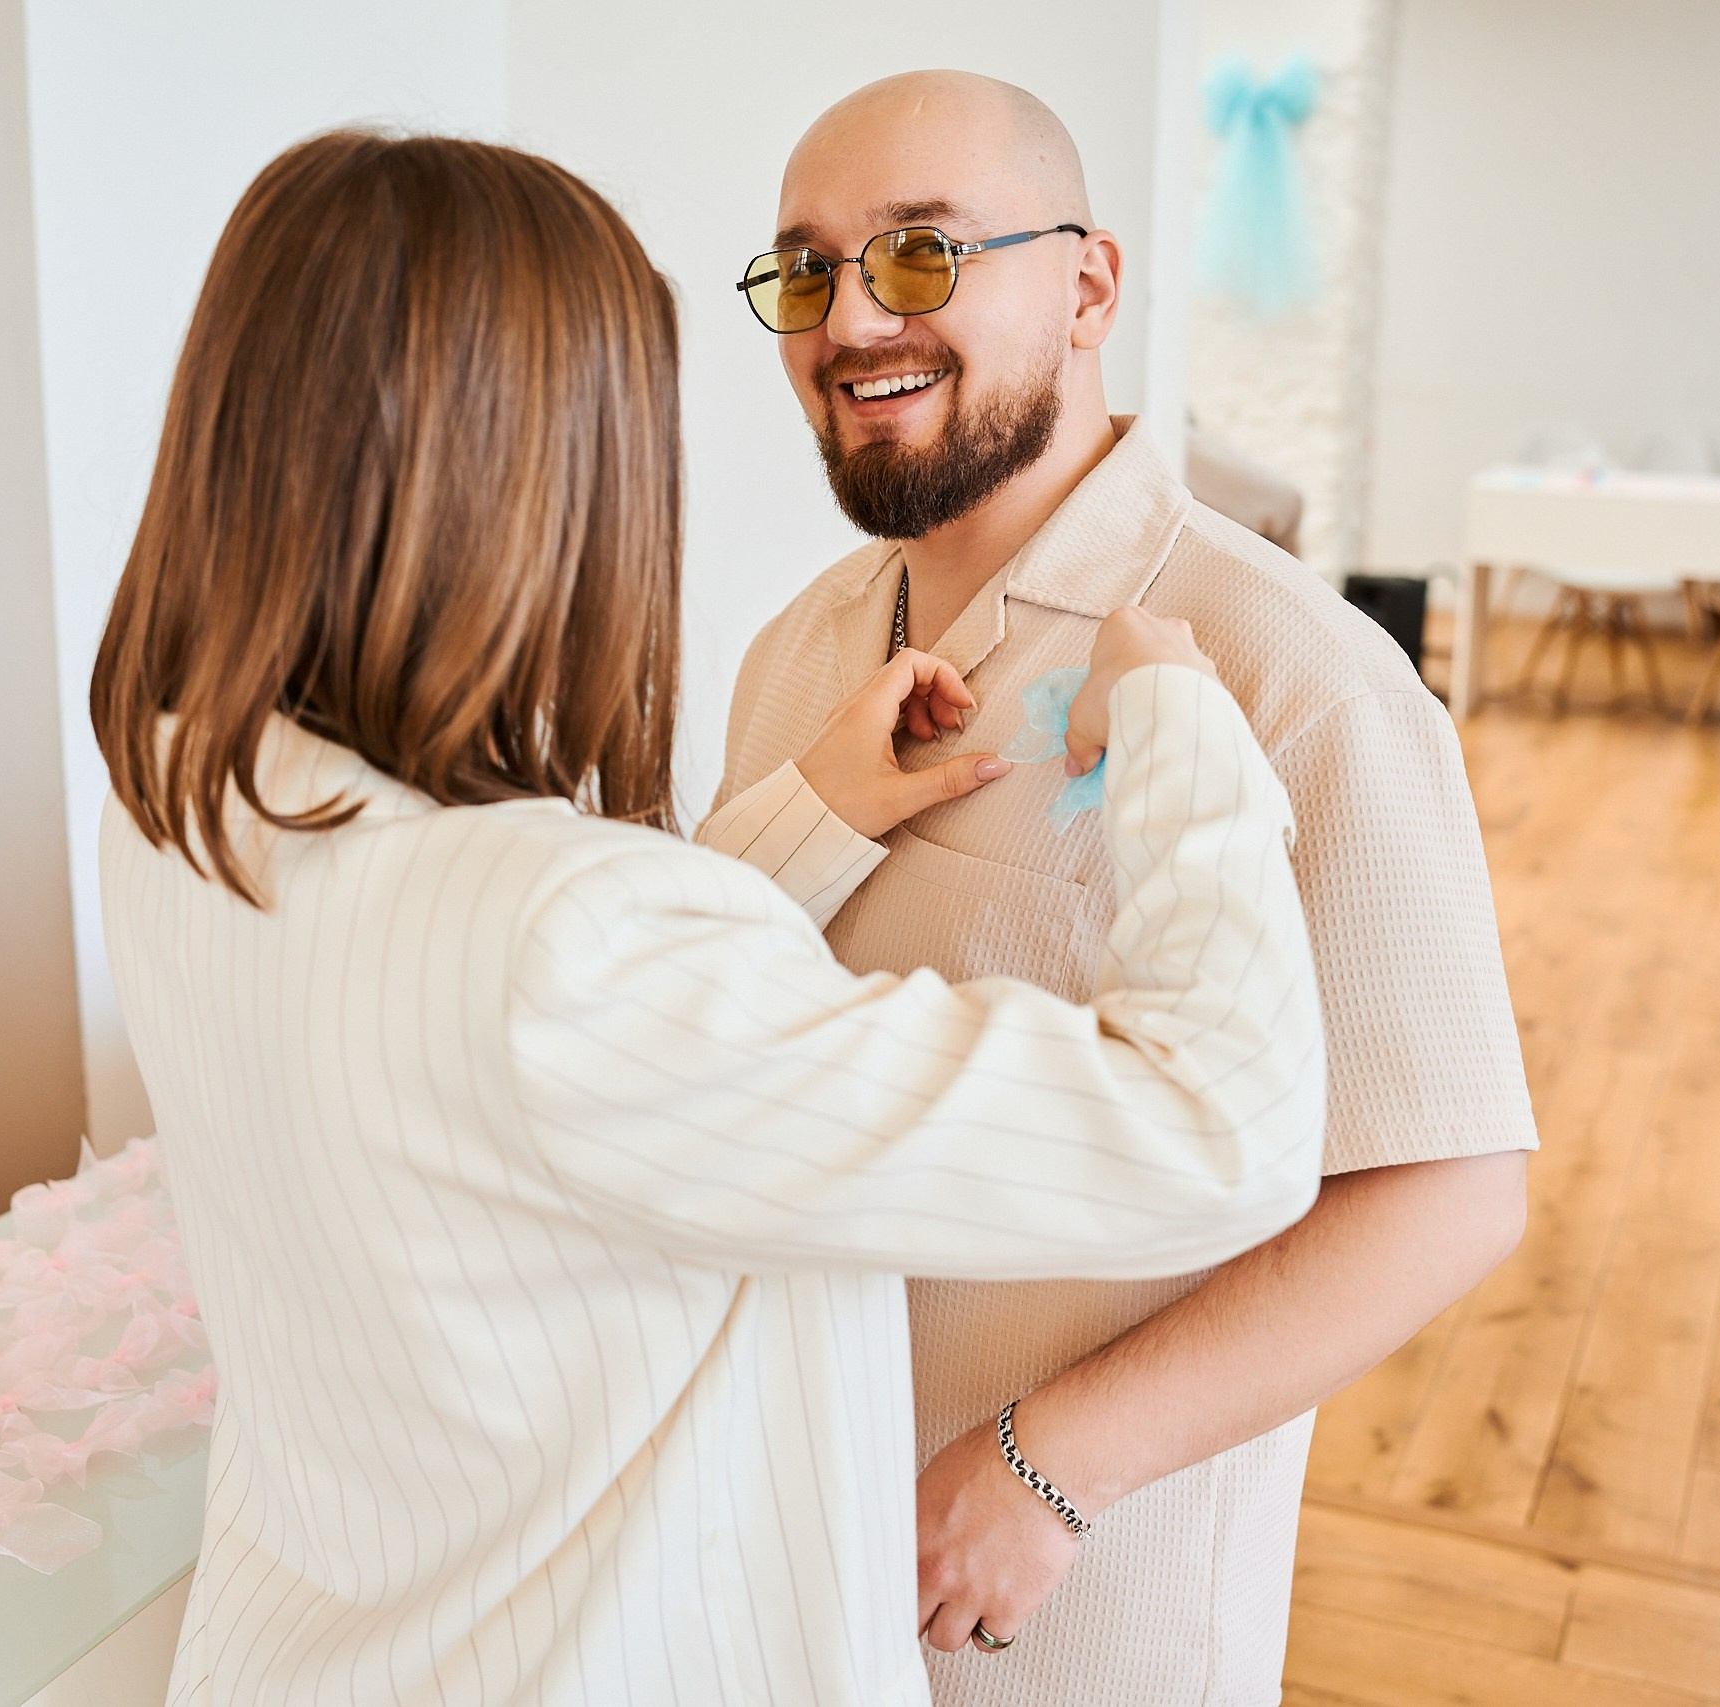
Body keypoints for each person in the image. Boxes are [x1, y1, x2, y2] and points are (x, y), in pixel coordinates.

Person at [93, 130, 1327, 1705]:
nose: (851, 327)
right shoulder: (570, 943)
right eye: (810, 272)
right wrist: (1178, 735)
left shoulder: (191, 794)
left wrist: (802, 821)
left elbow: (548, 1078)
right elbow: (1219, 1127)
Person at [709, 71, 1536, 1704]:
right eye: (806, 271)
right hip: (774, 1558)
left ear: (1088, 285)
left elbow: (1450, 1192)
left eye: (924, 255)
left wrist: (1051, 1463)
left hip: (1073, 1613)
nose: (854, 318)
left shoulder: (1296, 676)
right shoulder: (796, 649)